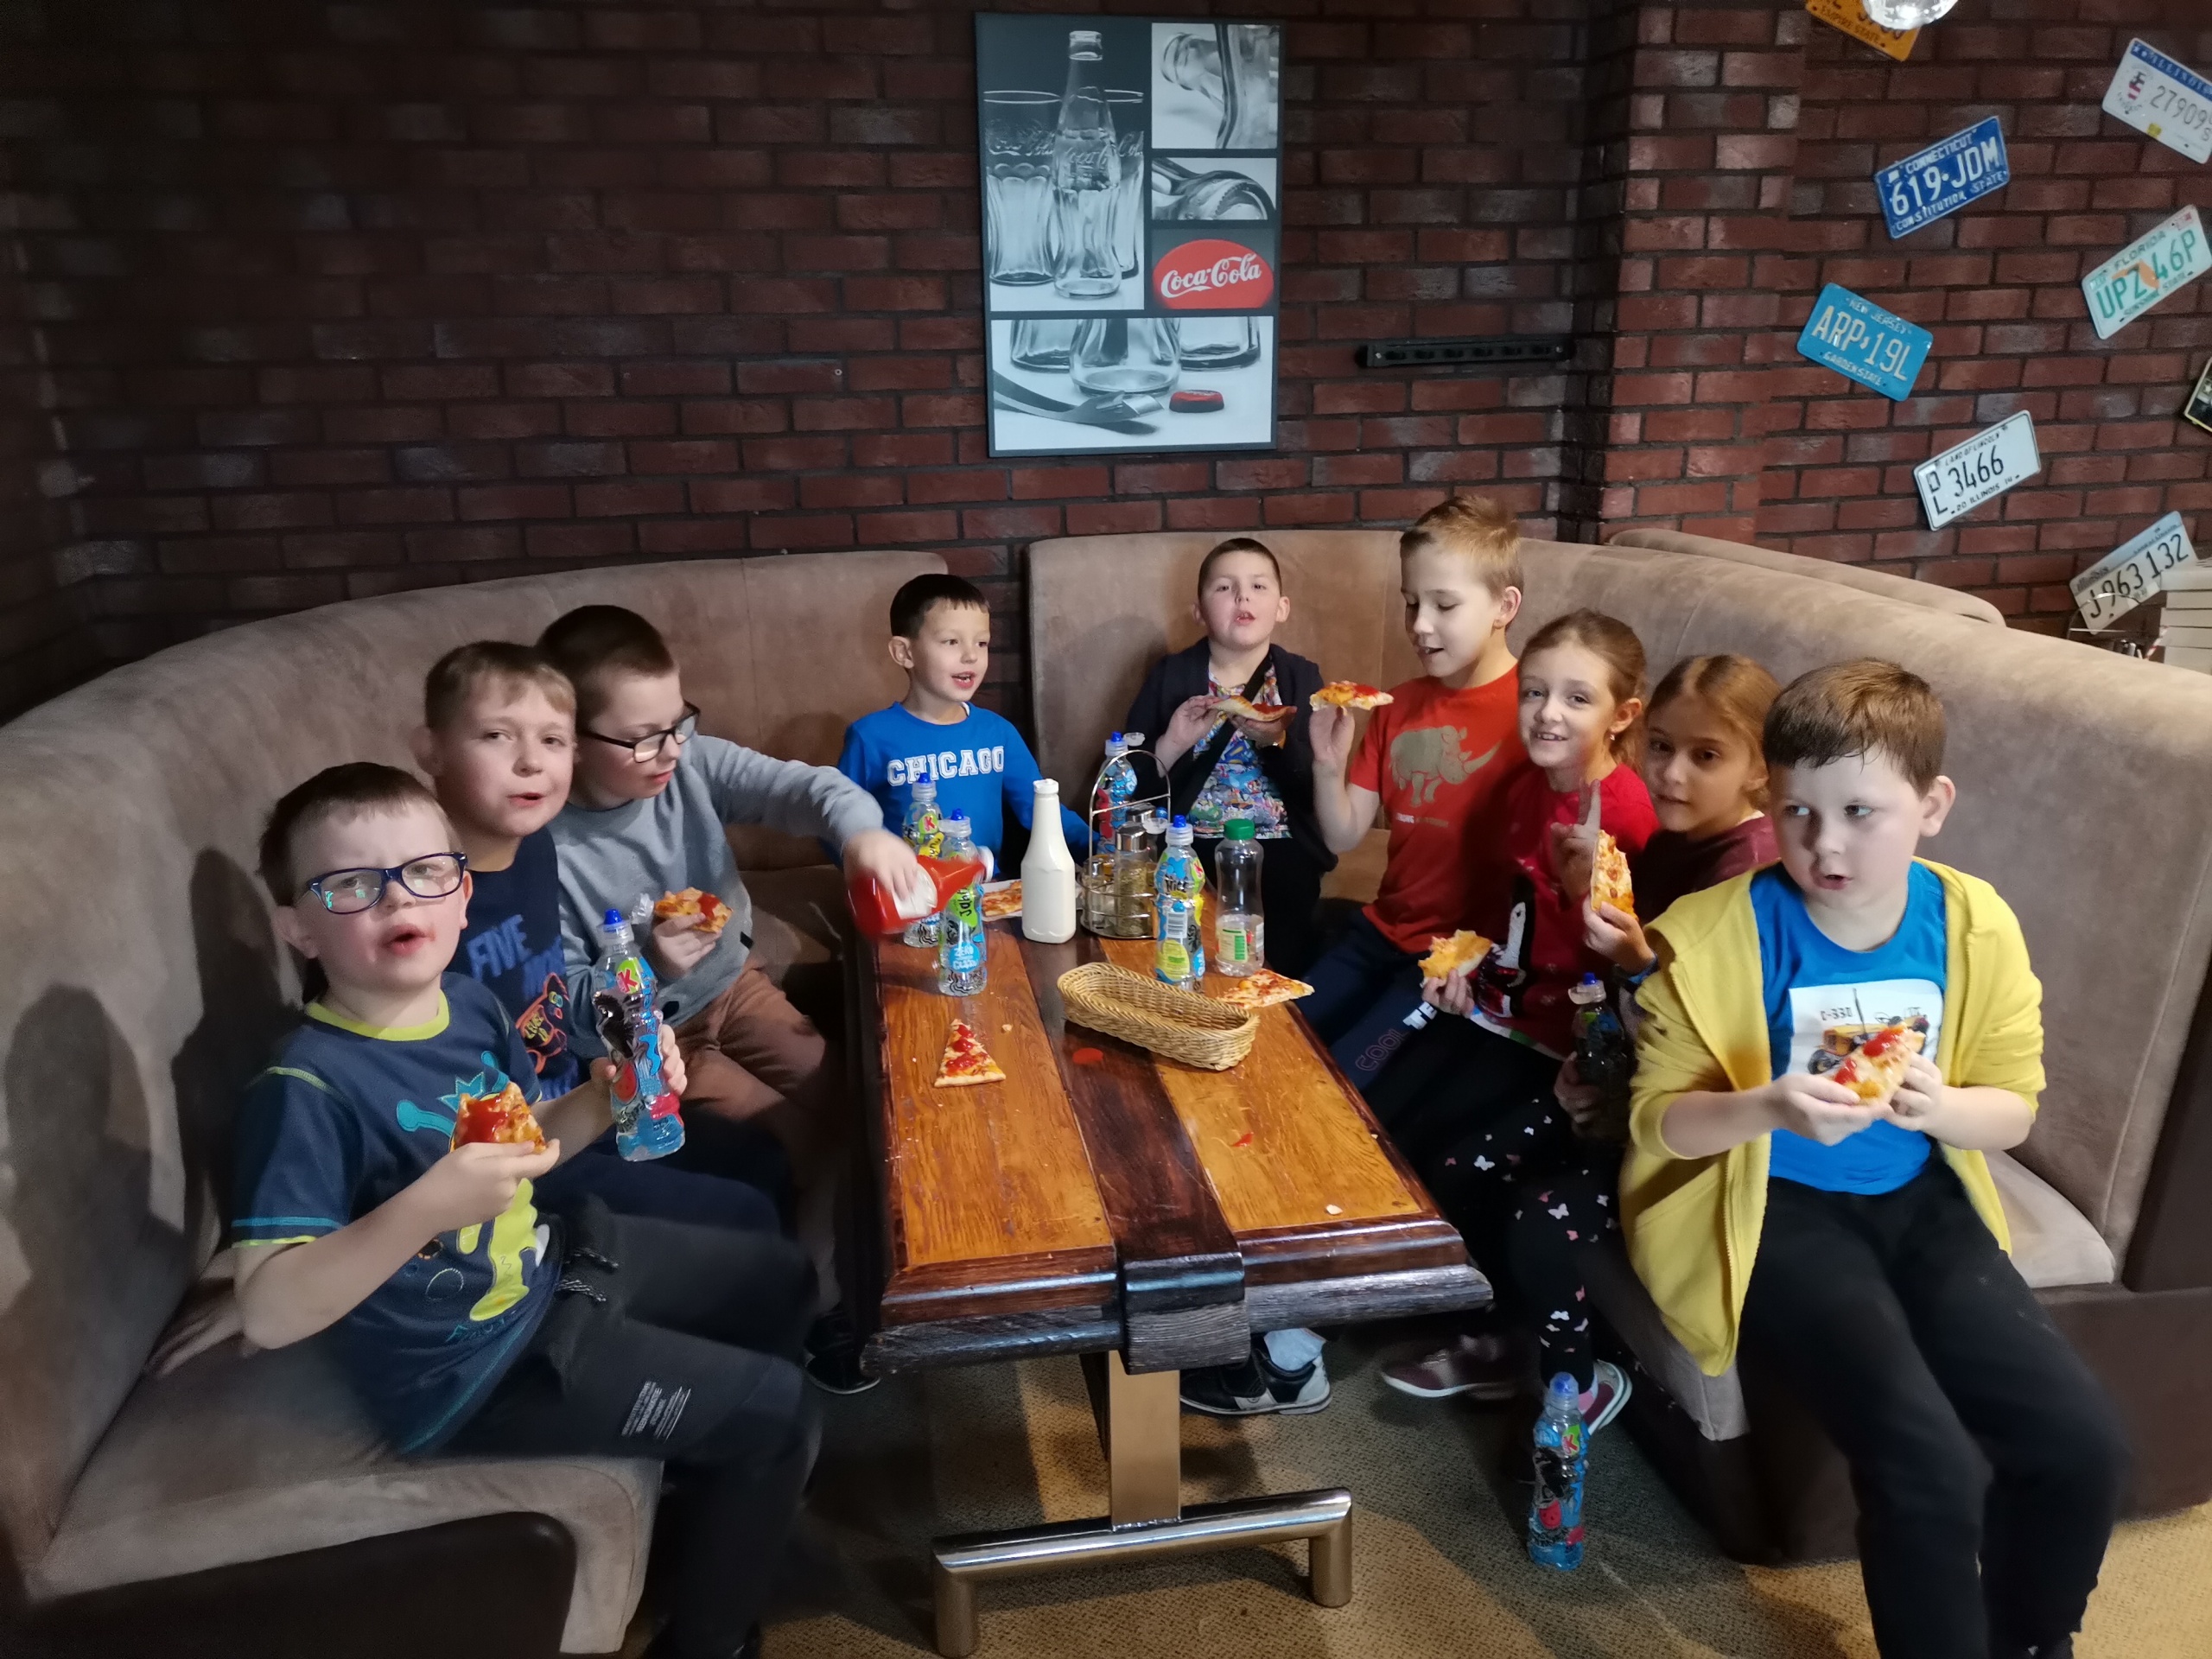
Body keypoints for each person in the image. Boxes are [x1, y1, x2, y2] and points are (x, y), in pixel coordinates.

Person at [233, 762, 815, 1659]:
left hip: (550, 1264)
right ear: (298, 929)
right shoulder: (305, 1087)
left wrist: (606, 1093)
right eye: (351, 885)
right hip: (473, 1373)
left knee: (782, 1281)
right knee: (783, 1418)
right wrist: (429, 1204)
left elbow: (529, 1141)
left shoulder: (467, 1006)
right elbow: (269, 1310)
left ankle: (707, 1493)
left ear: (463, 894)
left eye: (426, 872)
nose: (398, 900)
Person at [1622, 660, 2127, 1659]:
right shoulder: (1714, 936)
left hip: (1921, 1200)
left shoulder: (1973, 925)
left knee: (2081, 1445)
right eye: (1798, 812)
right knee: (1927, 1466)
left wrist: (1944, 1107)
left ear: (1931, 806)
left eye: (1860, 811)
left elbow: (2011, 1109)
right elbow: (1657, 1127)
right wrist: (1766, 1105)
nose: (1825, 844)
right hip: (1774, 1208)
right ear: (1769, 800)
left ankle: (2032, 1642)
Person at [538, 605, 925, 1390]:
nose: (670, 751)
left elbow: (808, 788)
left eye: (679, 722)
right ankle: (816, 1313)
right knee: (806, 1143)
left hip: (733, 987)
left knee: (869, 1102)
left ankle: (848, 1279)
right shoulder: (544, 845)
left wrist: (862, 835)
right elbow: (562, 1012)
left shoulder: (690, 765)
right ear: (570, 738)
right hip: (650, 1044)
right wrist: (649, 962)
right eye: (643, 738)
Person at [1385, 651, 1776, 1420]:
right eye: (1661, 748)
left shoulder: (1749, 873)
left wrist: (1633, 970)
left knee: (1539, 1216)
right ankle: (1506, 1336)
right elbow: (1611, 991)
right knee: (1458, 1163)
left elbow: (1716, 1030)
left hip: (1685, 1129)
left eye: (1705, 757)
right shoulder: (1671, 841)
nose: (1671, 775)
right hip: (1616, 1081)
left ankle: (1578, 1382)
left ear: (1760, 768)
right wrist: (1591, 1061)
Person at [413, 640, 782, 1236]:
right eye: (497, 736)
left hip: (583, 1102)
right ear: (430, 750)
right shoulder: (421, 900)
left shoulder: (537, 848)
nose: (530, 763)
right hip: (514, 1157)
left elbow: (567, 1003)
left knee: (765, 1161)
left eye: (552, 740)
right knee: (748, 1214)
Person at [1302, 495, 1532, 1089]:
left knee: (1346, 1082)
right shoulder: (1395, 705)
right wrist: (1327, 764)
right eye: (1411, 603)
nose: (1420, 625)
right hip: (1377, 934)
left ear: (1504, 606)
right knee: (1282, 1039)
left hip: (1455, 963)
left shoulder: (1537, 716)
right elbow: (1344, 834)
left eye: (1444, 605)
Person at [1120, 536, 1333, 976]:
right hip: (1189, 842)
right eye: (1224, 587)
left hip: (1281, 843)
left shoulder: (1299, 677)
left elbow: (1316, 787)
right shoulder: (1172, 675)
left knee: (1285, 948)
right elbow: (1131, 783)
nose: (1242, 597)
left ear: (1282, 608)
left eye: (1258, 586)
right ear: (1199, 611)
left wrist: (1275, 742)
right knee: (1189, 947)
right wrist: (1173, 742)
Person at [837, 571, 1087, 861]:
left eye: (981, 643)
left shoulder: (998, 732)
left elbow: (1041, 809)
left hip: (988, 886)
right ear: (904, 652)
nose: (971, 656)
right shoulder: (870, 737)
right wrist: (869, 867)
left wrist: (1099, 846)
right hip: (909, 888)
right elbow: (839, 821)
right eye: (951, 642)